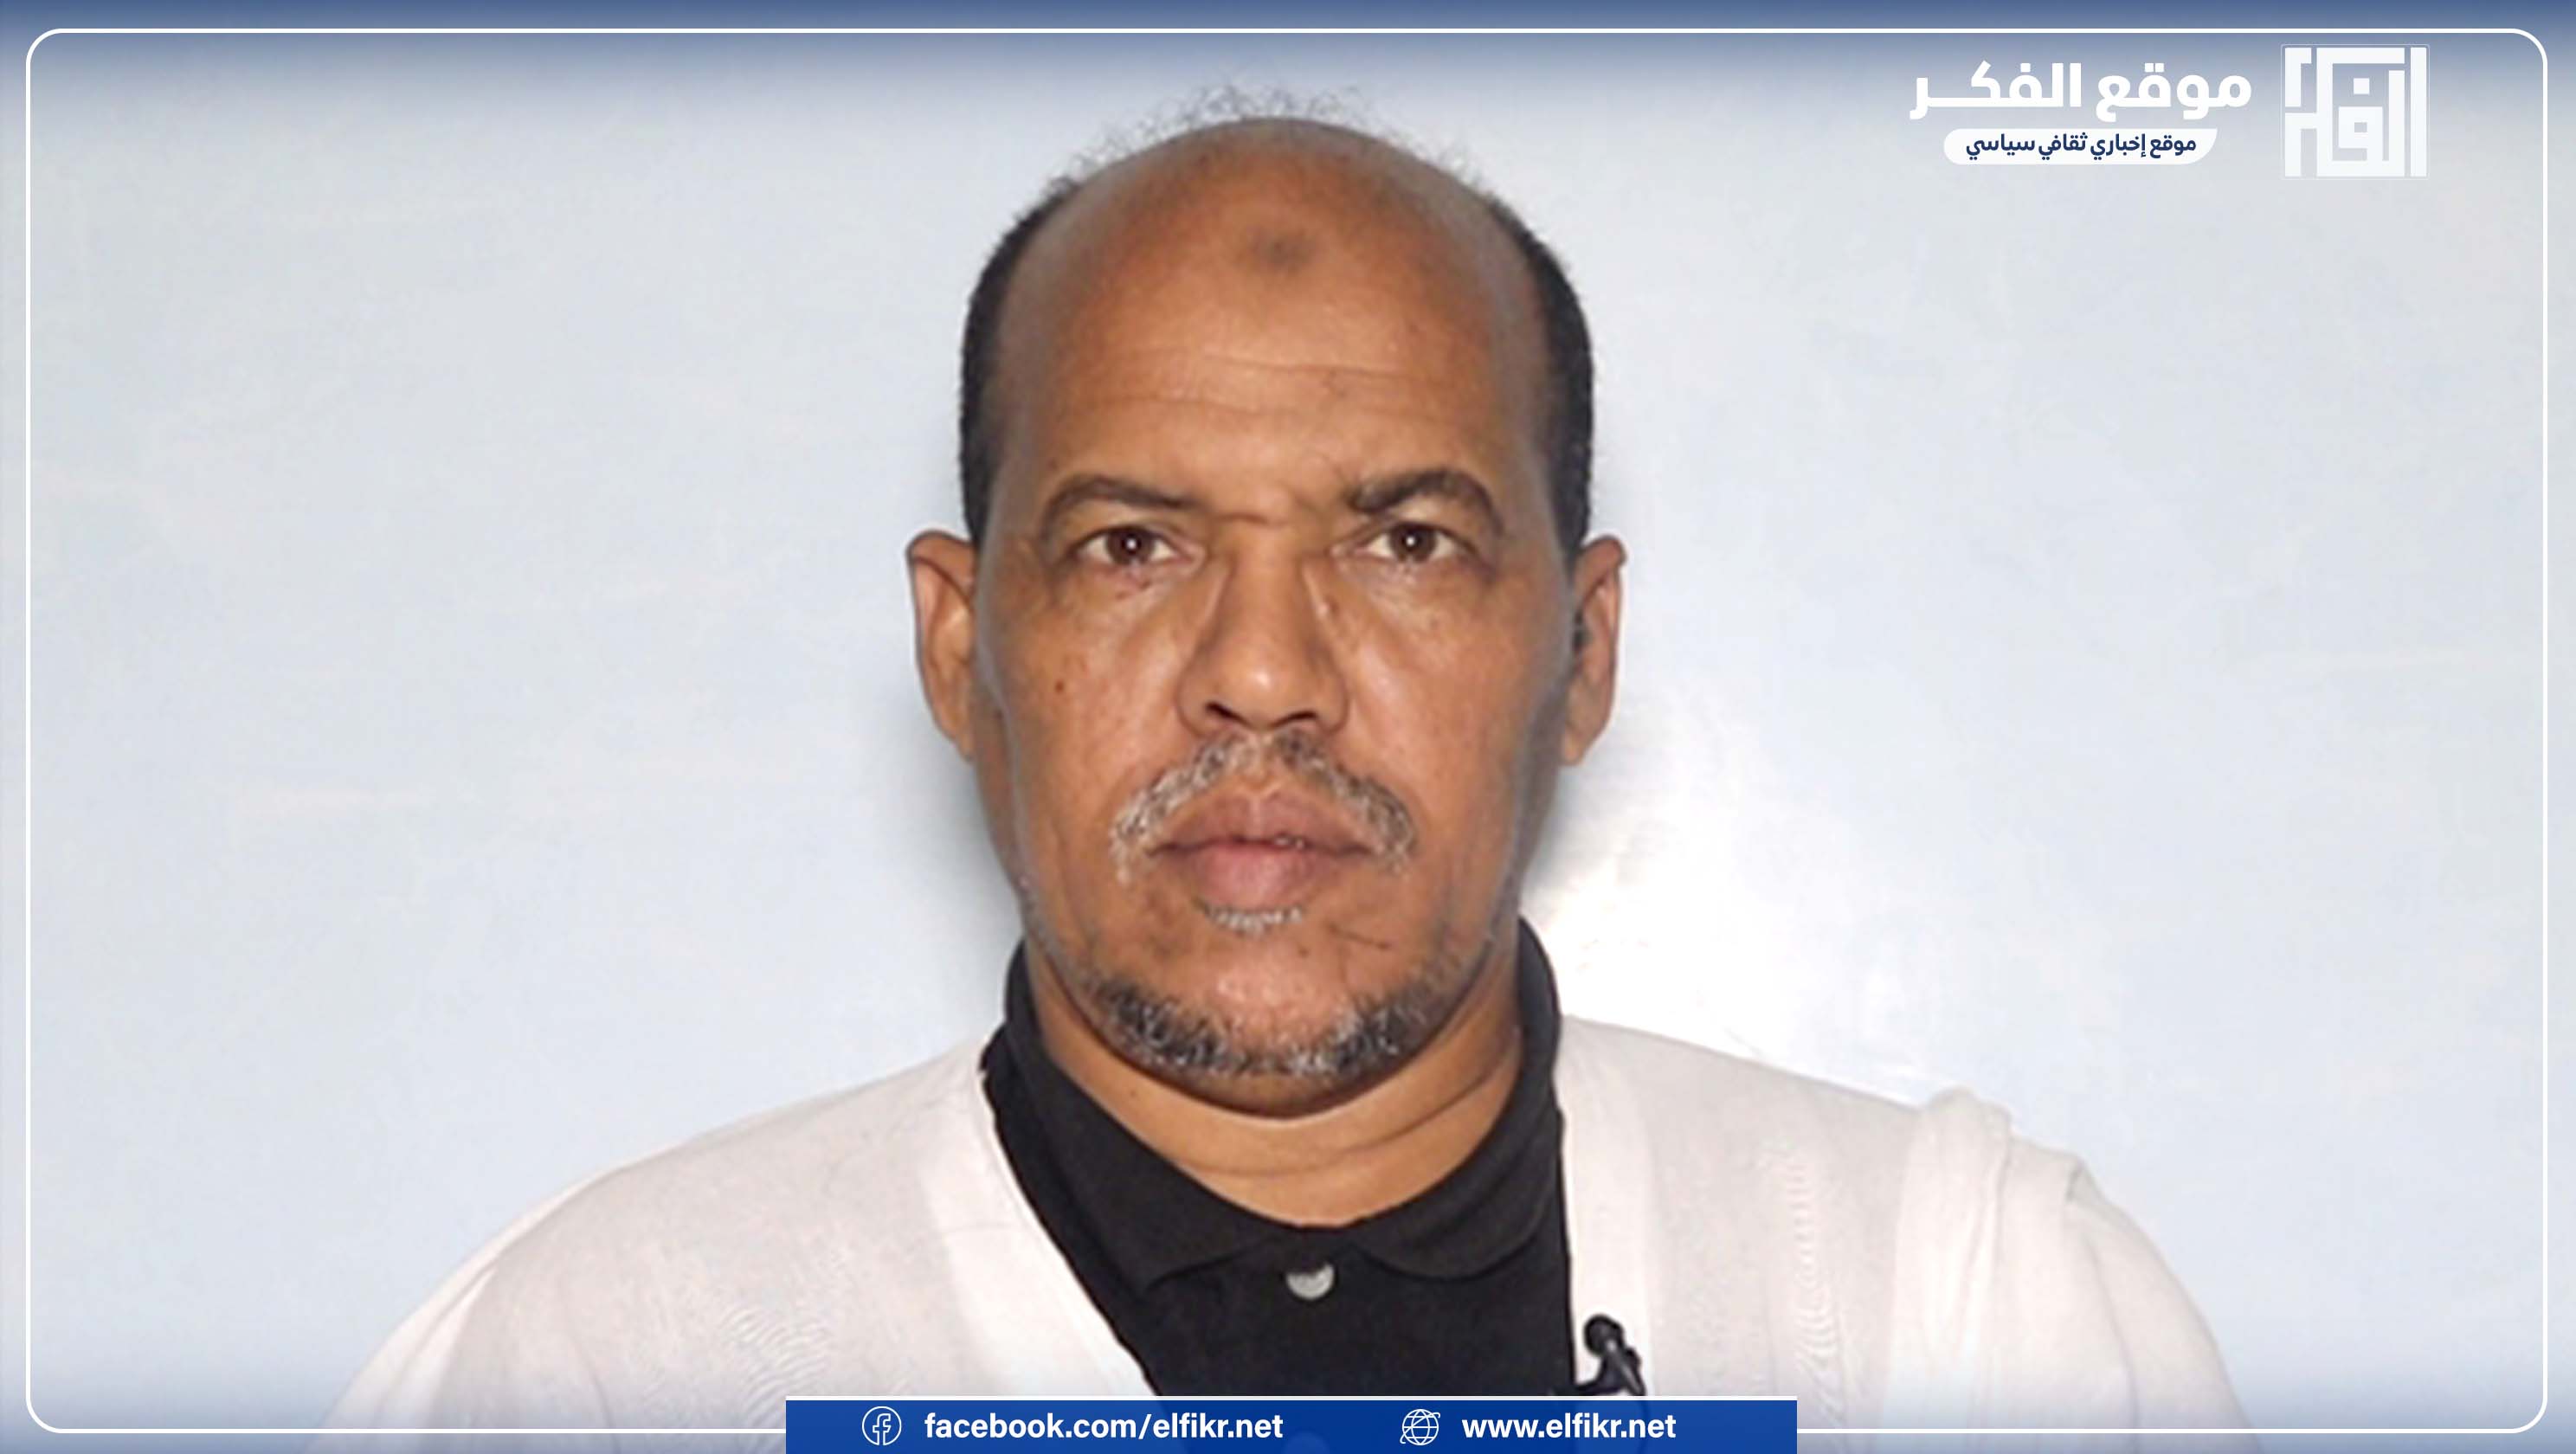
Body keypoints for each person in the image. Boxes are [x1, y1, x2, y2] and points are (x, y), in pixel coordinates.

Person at [325, 113, 2251, 1441]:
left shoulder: (1963, 1333)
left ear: (1581, 652)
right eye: (1133, 546)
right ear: (959, 648)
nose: (1262, 674)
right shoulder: (606, 1375)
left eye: (1405, 541)